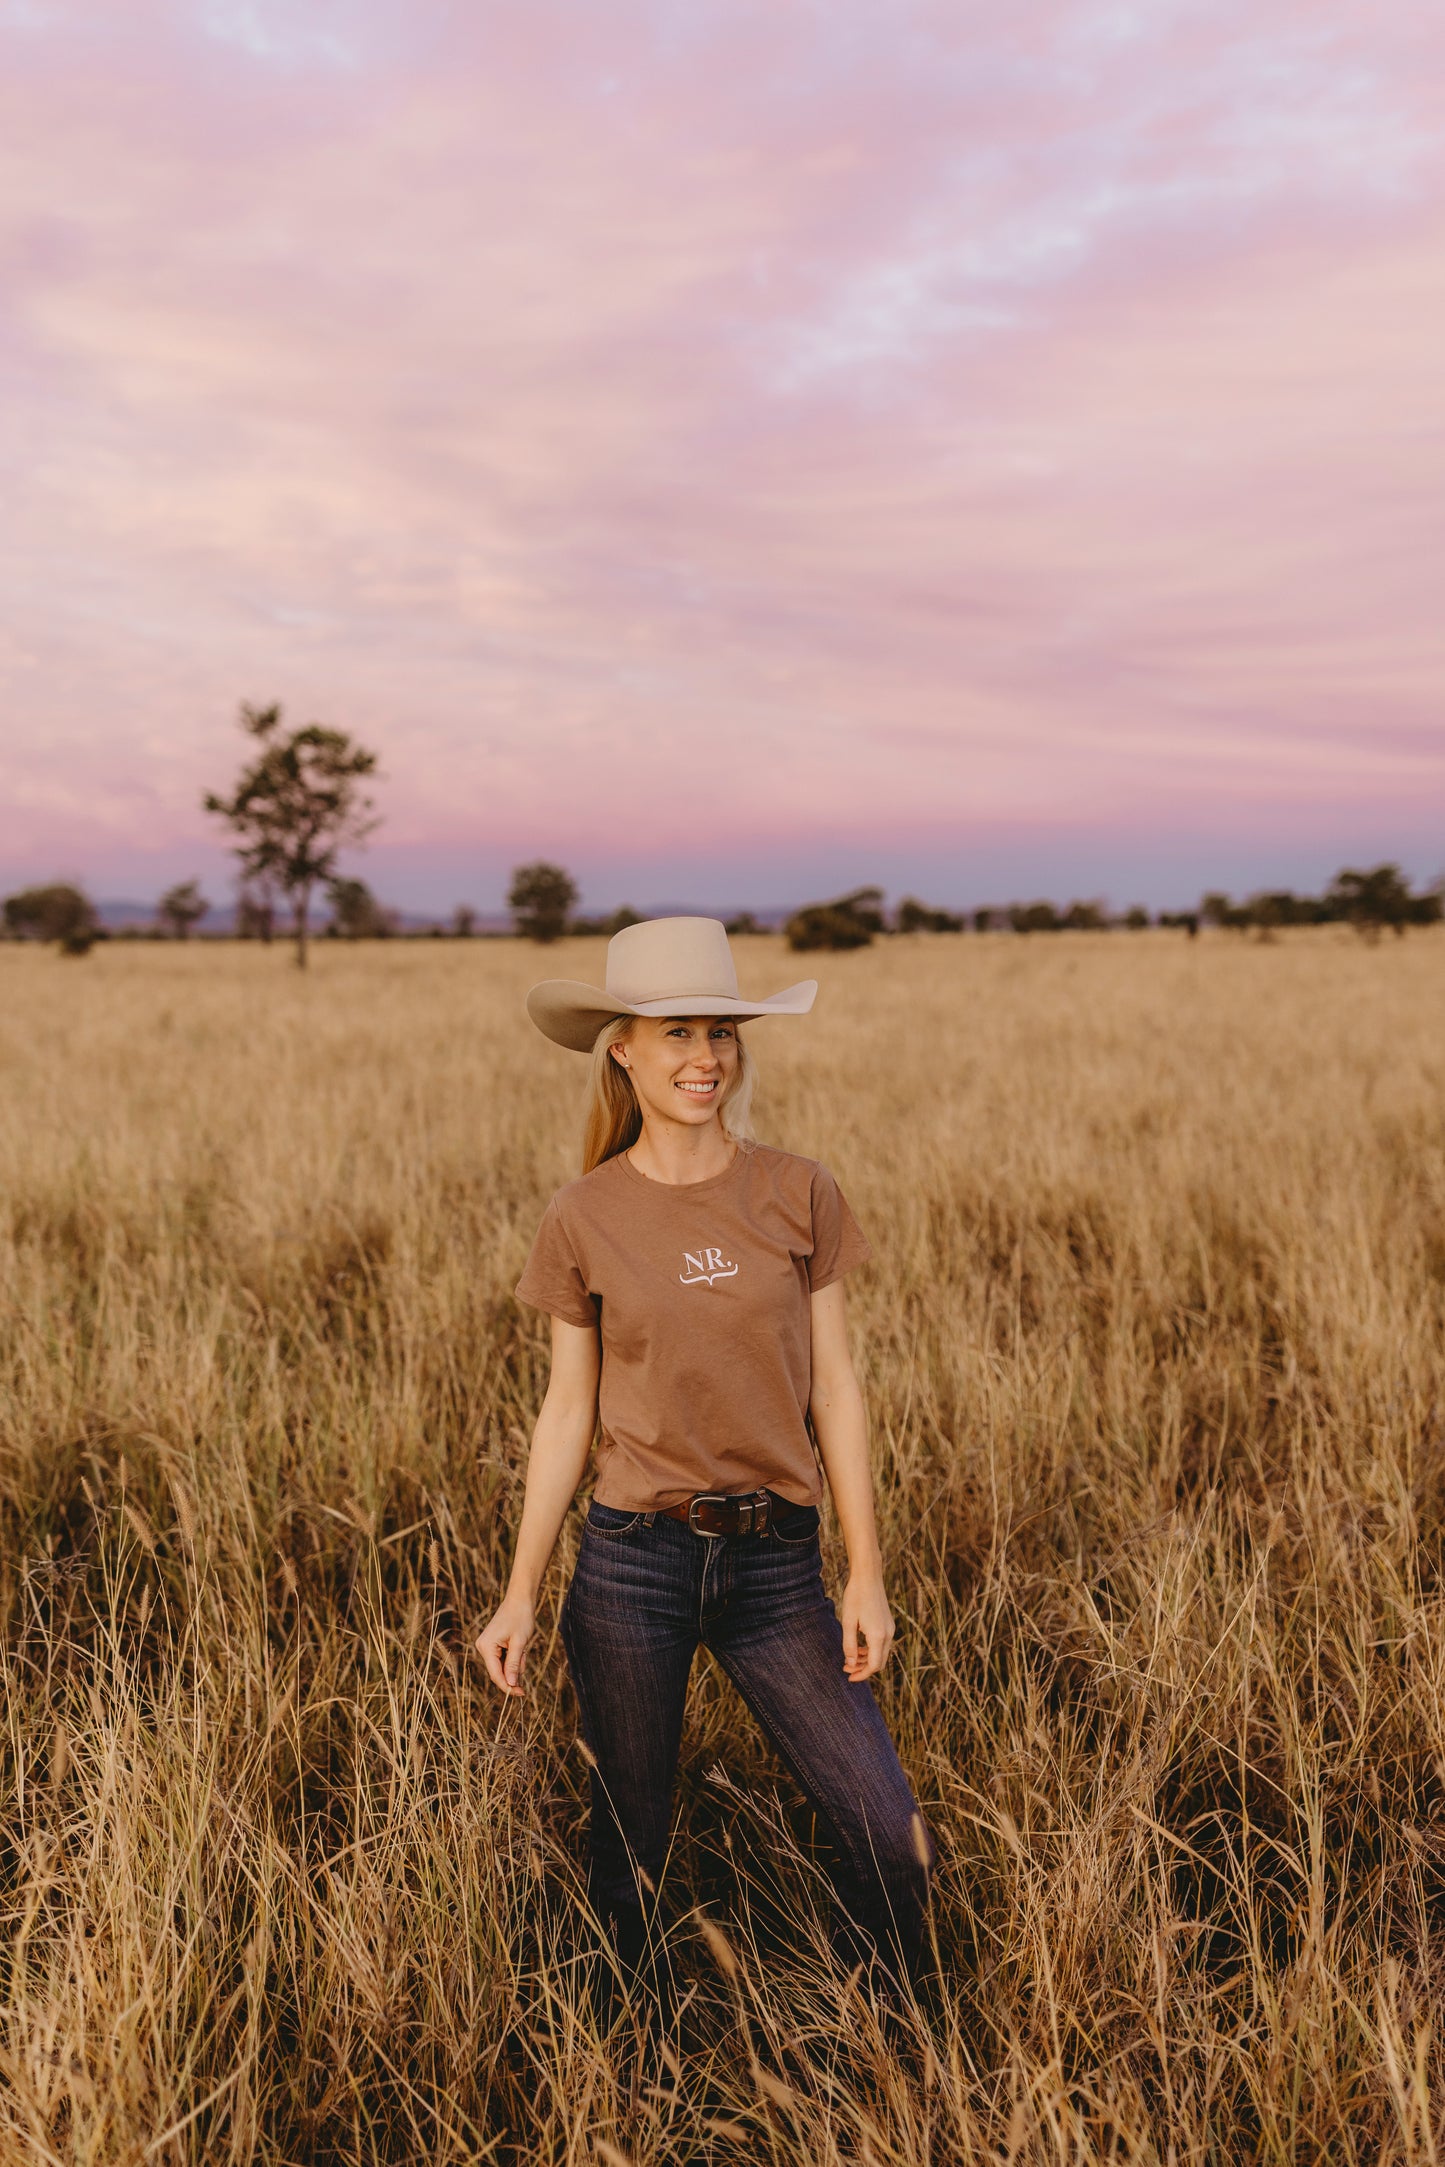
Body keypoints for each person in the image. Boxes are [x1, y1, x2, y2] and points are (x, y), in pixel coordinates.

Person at [476, 916, 932, 2001]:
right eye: (674, 1031)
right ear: (621, 1050)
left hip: (776, 1568)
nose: (703, 1055)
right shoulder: (581, 1214)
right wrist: (520, 1593)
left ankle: (904, 2059)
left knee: (887, 1832)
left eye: (721, 1031)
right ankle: (631, 2071)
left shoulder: (797, 1189)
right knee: (629, 1850)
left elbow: (835, 1390)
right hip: (632, 1567)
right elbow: (564, 1413)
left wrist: (863, 1571)